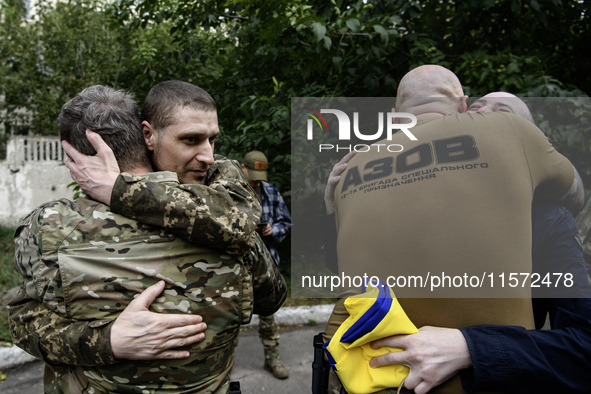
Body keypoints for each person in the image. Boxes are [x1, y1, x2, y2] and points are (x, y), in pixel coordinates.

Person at [323, 65, 587, 394]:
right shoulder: (511, 142)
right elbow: (576, 192)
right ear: (462, 108)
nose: (485, 116)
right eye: (477, 108)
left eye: (501, 112)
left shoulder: (353, 167)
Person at [8, 84, 286, 393]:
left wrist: (106, 342)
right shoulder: (224, 224)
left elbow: (20, 321)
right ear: (146, 136)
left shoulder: (51, 231)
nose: (208, 156)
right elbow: (271, 298)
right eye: (191, 139)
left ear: (75, 159)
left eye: (211, 140)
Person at [240, 150, 292, 379]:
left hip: (266, 265)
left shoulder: (271, 192)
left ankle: (272, 358)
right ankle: (222, 363)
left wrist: (273, 229)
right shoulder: (233, 191)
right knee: (229, 316)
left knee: (268, 316)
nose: (255, 178)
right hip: (238, 265)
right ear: (242, 168)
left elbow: (286, 223)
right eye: (252, 172)